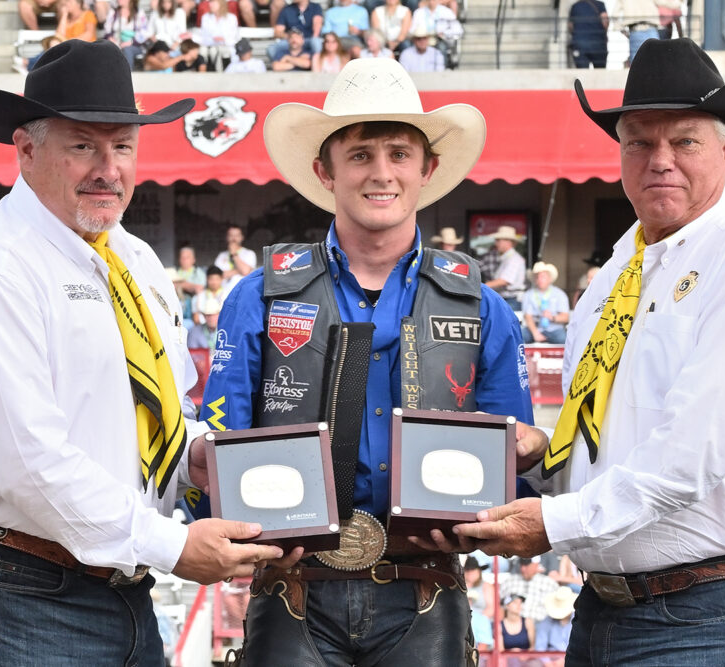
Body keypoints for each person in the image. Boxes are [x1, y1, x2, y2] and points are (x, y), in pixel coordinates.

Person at [0, 40, 282, 666]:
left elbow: (152, 411)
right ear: (27, 149)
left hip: (114, 585)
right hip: (22, 588)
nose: (108, 168)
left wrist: (195, 455)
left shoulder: (136, 260)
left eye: (122, 146)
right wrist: (171, 545)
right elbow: (30, 464)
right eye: (83, 145)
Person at [458, 39, 725, 666]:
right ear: (619, 153)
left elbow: (688, 458)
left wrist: (553, 522)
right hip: (614, 608)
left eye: (685, 141)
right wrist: (546, 455)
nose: (660, 160)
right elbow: (608, 443)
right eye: (640, 142)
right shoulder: (613, 278)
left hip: (714, 611)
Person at [200, 58, 539, 665]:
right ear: (324, 170)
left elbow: (513, 473)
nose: (381, 173)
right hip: (292, 587)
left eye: (398, 154)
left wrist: (519, 465)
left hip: (426, 590)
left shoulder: (485, 308)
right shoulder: (257, 297)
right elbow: (220, 442)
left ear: (426, 169)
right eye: (360, 155)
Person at [522, 262, 570, 344]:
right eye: (537, 277)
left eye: (543, 277)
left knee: (563, 339)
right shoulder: (528, 294)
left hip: (554, 329)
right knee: (520, 337)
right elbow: (528, 316)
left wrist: (552, 317)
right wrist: (535, 333)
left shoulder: (559, 294)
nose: (540, 279)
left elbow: (566, 317)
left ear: (550, 279)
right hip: (534, 328)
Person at [482, 225, 527, 310]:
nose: (496, 243)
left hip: (512, 299)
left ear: (508, 242)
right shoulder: (507, 258)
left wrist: (482, 286)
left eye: (498, 240)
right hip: (507, 299)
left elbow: (504, 281)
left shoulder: (514, 259)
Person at [533, 588, 577, 654]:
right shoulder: (546, 622)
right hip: (551, 659)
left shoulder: (580, 621)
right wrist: (548, 662)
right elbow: (540, 648)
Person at [569, 0, 609, 68]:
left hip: (579, 44)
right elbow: (605, 21)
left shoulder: (575, 6)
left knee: (582, 73)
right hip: (598, 44)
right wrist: (604, 33)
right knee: (600, 72)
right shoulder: (600, 4)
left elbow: (570, 26)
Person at [199, 0, 240, 66]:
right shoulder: (205, 17)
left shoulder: (232, 18)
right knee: (210, 51)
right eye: (210, 2)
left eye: (213, 2)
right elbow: (204, 37)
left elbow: (234, 38)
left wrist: (224, 40)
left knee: (225, 52)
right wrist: (214, 40)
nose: (210, 4)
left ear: (221, 4)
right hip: (210, 46)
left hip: (228, 47)